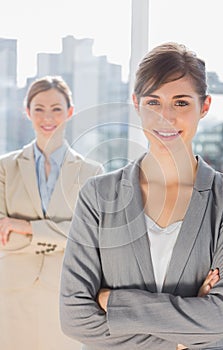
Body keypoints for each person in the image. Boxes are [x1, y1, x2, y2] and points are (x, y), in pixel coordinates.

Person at [60, 43, 223, 350]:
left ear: (204, 106)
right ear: (136, 104)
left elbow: (220, 320)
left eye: (180, 103)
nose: (165, 117)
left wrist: (112, 301)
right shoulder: (98, 196)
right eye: (153, 102)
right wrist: (183, 336)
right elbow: (74, 317)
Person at [0, 75, 104, 350]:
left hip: (66, 293)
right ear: (27, 112)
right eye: (39, 109)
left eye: (57, 108)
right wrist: (61, 235)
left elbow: (87, 237)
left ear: (70, 112)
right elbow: (2, 233)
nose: (48, 117)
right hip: (12, 291)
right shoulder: (5, 168)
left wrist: (27, 229)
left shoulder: (91, 172)